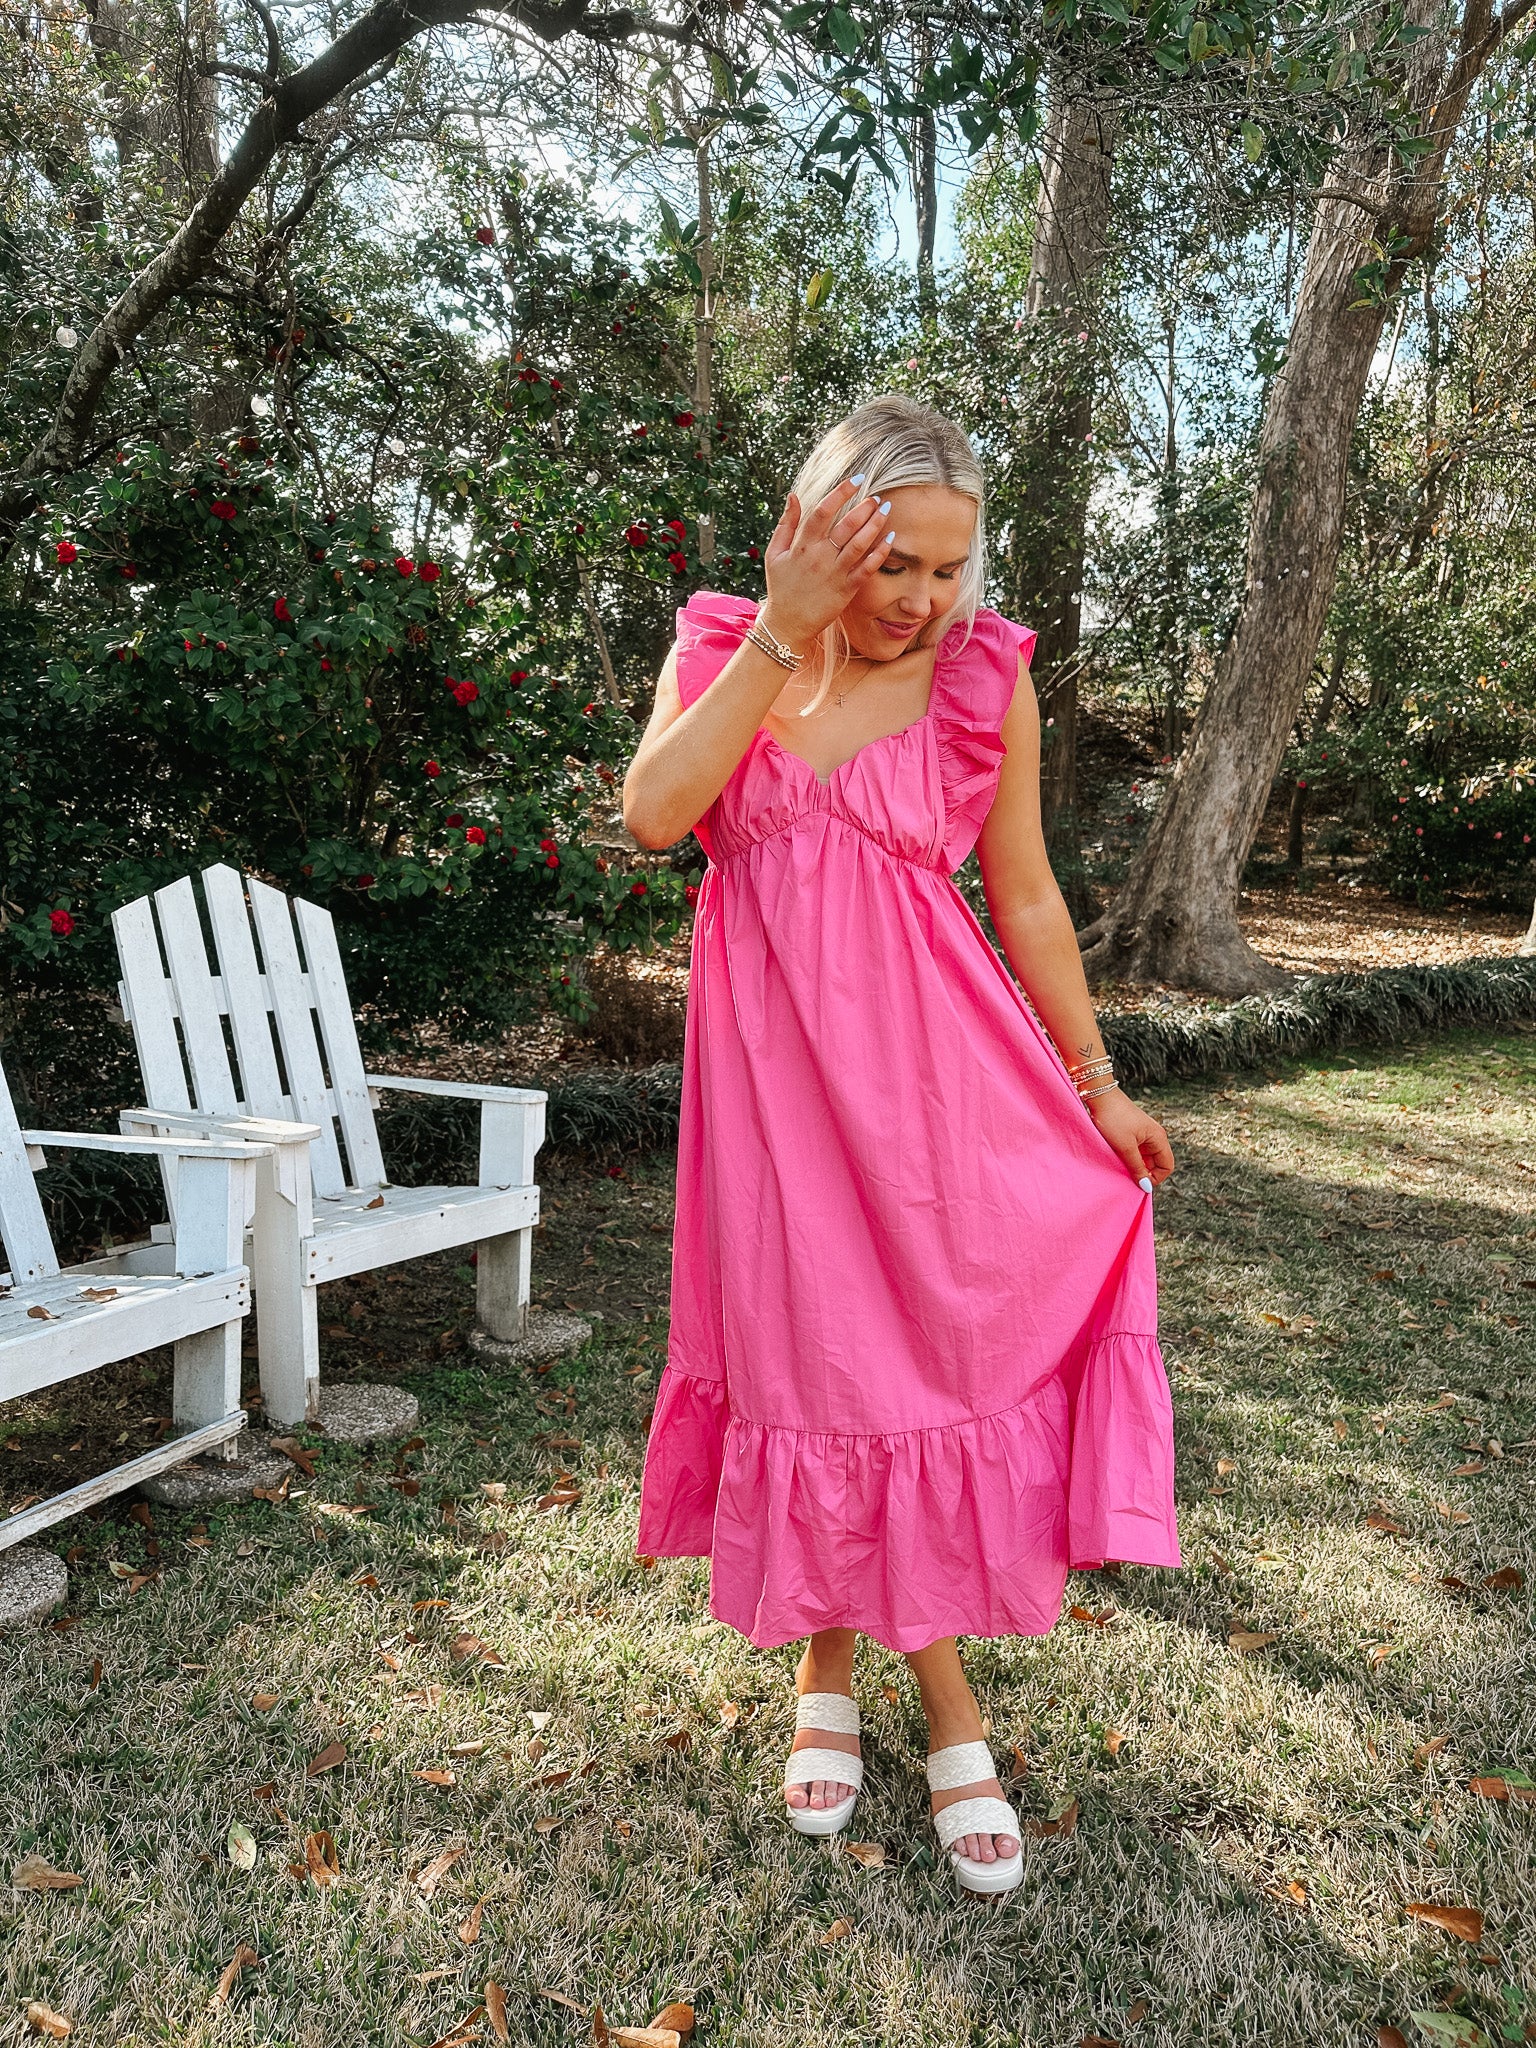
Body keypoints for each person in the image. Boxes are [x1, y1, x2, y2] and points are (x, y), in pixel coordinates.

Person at [623, 394, 1180, 1897]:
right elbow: (655, 815)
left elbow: (1034, 899)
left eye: (948, 567)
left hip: (938, 1100)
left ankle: (940, 1707)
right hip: (776, 1104)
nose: (925, 600)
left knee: (912, 1367)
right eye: (893, 565)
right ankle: (832, 1671)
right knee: (814, 1363)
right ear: (822, 532)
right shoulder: (723, 641)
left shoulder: (983, 683)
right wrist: (774, 636)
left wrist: (1097, 1081)